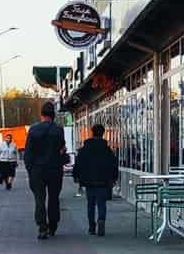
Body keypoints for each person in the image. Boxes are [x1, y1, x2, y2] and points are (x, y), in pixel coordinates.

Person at [23, 101, 67, 240]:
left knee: (39, 199)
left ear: (41, 114)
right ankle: (53, 226)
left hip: (37, 170)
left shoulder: (33, 130)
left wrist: (29, 169)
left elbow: (28, 153)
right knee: (54, 198)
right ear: (53, 115)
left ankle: (42, 227)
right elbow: (61, 149)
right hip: (54, 169)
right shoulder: (58, 130)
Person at [73, 124, 119, 236]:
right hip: (103, 181)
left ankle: (92, 227)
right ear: (103, 134)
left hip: (89, 181)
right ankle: (101, 220)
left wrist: (76, 176)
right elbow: (113, 164)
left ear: (92, 133)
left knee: (90, 204)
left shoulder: (84, 149)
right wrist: (114, 178)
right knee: (101, 203)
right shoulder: (107, 150)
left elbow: (78, 163)